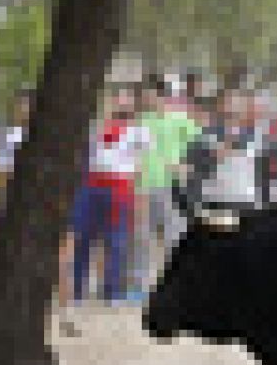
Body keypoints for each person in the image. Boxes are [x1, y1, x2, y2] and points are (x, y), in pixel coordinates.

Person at [72, 91, 149, 303]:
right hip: (91, 185)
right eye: (118, 97)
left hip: (119, 188)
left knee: (115, 241)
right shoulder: (95, 127)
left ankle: (111, 290)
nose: (122, 101)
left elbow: (141, 164)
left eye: (127, 98)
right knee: (84, 237)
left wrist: (139, 192)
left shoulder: (139, 131)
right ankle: (78, 288)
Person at [133, 77, 199, 292]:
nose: (145, 98)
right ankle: (139, 285)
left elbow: (201, 144)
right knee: (143, 234)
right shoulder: (143, 120)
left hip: (171, 185)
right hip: (144, 184)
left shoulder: (180, 120)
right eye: (144, 95)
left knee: (174, 235)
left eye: (149, 94)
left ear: (160, 94)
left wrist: (188, 164)